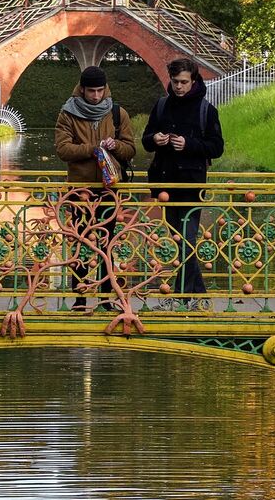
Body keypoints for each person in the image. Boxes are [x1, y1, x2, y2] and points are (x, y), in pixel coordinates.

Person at [143, 58, 226, 306]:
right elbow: (146, 138)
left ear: (193, 80)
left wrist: (189, 145)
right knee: (179, 242)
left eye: (183, 82)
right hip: (166, 183)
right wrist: (155, 138)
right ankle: (199, 296)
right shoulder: (161, 106)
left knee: (187, 241)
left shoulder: (206, 110)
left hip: (191, 185)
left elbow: (217, 147)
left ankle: (181, 297)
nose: (178, 87)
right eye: (175, 82)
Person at [55, 65, 137, 311]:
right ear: (82, 89)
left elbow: (130, 149)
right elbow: (62, 150)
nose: (96, 96)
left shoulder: (116, 113)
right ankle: (79, 299)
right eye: (91, 91)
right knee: (79, 244)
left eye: (100, 90)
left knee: (107, 243)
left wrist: (115, 146)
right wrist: (93, 148)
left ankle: (105, 298)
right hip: (80, 190)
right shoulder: (68, 113)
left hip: (108, 189)